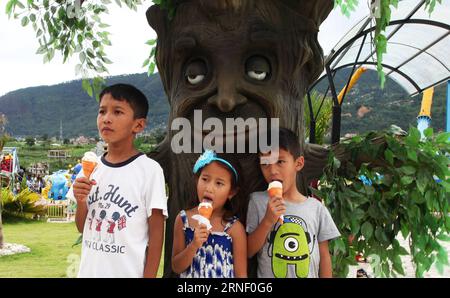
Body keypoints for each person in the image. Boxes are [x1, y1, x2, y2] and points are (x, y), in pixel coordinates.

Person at [67, 83, 168, 278]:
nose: (106, 119)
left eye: (117, 112)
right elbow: (82, 227)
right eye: (102, 111)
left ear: (138, 125)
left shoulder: (150, 171)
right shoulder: (90, 169)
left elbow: (156, 237)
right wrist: (81, 200)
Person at [246, 128, 340, 278]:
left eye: (280, 161)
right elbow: (248, 251)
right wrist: (268, 221)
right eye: (265, 164)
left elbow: (324, 257)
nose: (273, 171)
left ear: (298, 163)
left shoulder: (316, 208)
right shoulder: (258, 201)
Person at [171, 150, 247, 278]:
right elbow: (176, 267)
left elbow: (241, 275)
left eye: (219, 183)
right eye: (205, 179)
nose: (209, 188)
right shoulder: (183, 219)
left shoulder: (234, 228)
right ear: (197, 180)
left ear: (231, 192)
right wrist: (194, 245)